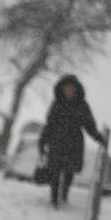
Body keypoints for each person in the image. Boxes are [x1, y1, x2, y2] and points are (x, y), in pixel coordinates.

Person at [38, 75, 106, 207]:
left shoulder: (82, 105)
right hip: (57, 141)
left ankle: (64, 194)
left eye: (71, 88)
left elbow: (89, 125)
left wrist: (98, 137)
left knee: (69, 171)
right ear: (61, 89)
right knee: (55, 171)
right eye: (66, 88)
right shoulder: (57, 104)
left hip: (74, 143)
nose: (68, 91)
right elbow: (49, 124)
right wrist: (42, 141)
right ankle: (54, 198)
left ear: (76, 89)